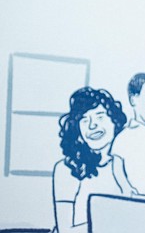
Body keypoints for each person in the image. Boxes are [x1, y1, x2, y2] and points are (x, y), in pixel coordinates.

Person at [52, 86, 131, 233]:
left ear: (114, 121)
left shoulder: (128, 163)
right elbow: (65, 230)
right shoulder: (67, 168)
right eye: (84, 120)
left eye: (100, 116)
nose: (92, 125)